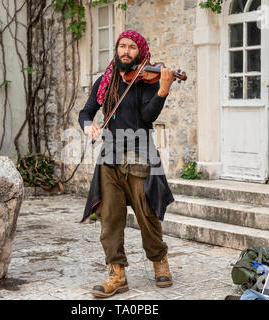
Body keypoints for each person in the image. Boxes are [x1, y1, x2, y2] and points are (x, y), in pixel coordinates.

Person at [78, 30, 175, 298]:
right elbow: (86, 112)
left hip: (140, 155)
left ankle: (159, 260)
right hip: (110, 157)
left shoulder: (148, 81)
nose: (125, 51)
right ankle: (117, 273)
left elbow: (147, 115)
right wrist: (89, 126)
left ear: (140, 52)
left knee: (147, 214)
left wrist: (163, 91)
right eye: (122, 46)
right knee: (109, 217)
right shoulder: (105, 81)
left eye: (132, 47)